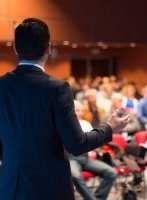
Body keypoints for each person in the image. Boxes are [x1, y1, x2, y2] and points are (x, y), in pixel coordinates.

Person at [0, 18, 129, 200]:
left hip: (9, 186)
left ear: (15, 48)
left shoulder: (2, 86)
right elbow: (76, 144)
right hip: (49, 187)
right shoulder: (56, 88)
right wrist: (109, 128)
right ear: (48, 48)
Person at [69, 101, 117, 200]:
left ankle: (98, 198)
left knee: (111, 173)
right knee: (75, 176)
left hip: (86, 158)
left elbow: (93, 142)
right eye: (77, 110)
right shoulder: (66, 126)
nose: (80, 113)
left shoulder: (85, 123)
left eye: (81, 111)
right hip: (72, 159)